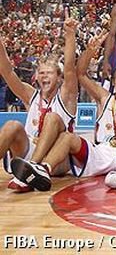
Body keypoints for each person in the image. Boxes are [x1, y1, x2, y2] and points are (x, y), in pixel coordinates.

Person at [10, 31, 116, 191]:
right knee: (67, 137)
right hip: (101, 152)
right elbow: (81, 74)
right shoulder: (103, 97)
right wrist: (89, 51)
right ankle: (43, 169)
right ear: (113, 81)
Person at [0, 18, 78, 192]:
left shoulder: (67, 96)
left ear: (59, 78)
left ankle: (32, 169)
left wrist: (70, 34)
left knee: (52, 118)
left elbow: (69, 69)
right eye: (41, 73)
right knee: (12, 125)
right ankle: (27, 172)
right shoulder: (31, 95)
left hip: (56, 157)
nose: (44, 76)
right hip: (29, 150)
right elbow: (7, 71)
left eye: (49, 73)